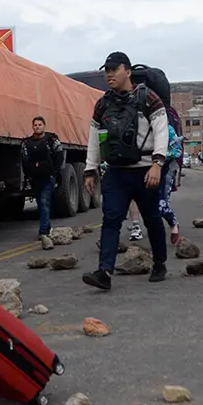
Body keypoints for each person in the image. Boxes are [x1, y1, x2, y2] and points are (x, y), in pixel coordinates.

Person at [81, 52, 169, 290]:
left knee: (152, 219)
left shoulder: (148, 98)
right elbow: (94, 138)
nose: (109, 74)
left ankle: (160, 263)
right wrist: (90, 169)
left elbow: (161, 130)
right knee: (110, 220)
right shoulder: (103, 104)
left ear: (127, 71)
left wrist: (157, 164)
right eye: (106, 70)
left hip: (145, 171)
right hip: (116, 173)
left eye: (114, 69)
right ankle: (104, 273)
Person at [21, 116, 64, 238]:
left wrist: (55, 171)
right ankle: (48, 226)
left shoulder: (52, 139)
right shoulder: (26, 143)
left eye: (40, 124)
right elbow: (24, 159)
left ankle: (43, 231)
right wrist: (28, 175)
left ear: (44, 126)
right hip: (35, 178)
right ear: (32, 127)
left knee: (44, 201)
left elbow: (60, 155)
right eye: (35, 125)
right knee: (41, 203)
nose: (37, 127)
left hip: (48, 177)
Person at [160, 119, 183, 244]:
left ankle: (173, 223)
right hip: (144, 169)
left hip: (166, 168)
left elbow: (177, 150)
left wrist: (161, 155)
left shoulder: (168, 129)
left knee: (161, 204)